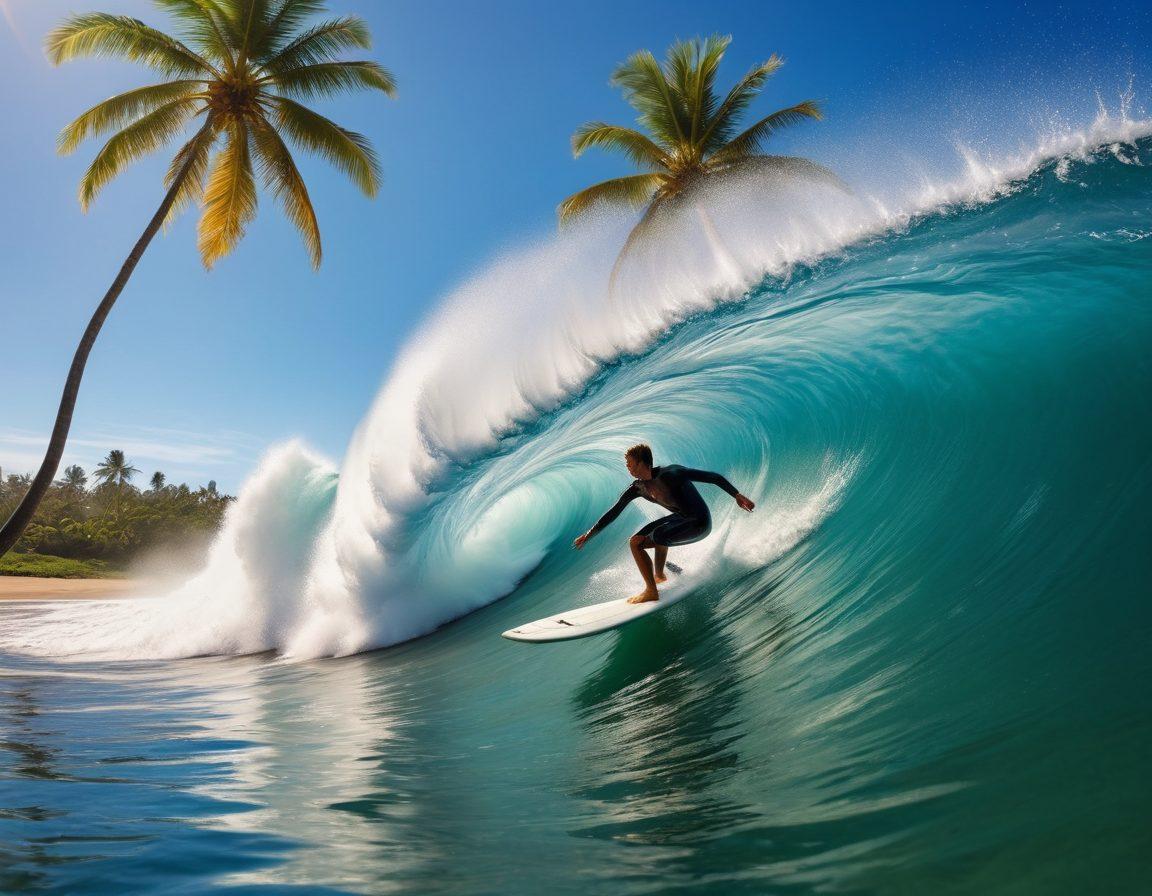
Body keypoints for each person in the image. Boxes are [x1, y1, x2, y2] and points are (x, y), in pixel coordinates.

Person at [573, 444, 754, 604]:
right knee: (636, 540)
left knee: (657, 535)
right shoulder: (637, 488)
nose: (627, 467)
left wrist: (737, 495)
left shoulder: (671, 473)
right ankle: (659, 576)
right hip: (680, 520)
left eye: (630, 463)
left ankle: (651, 591)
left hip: (699, 522)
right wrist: (589, 534)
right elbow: (614, 511)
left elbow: (712, 477)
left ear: (642, 462)